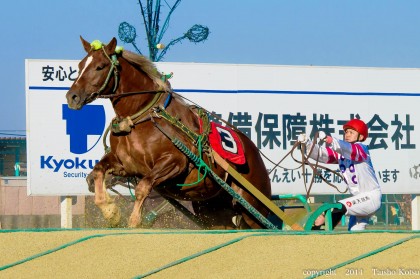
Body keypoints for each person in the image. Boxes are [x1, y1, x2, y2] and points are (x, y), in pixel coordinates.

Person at [297, 119, 382, 231]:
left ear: (360, 137)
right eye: (346, 132)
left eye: (351, 132)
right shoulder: (341, 154)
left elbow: (349, 149)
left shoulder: (362, 149)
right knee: (354, 236)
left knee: (338, 207)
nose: (347, 135)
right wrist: (307, 145)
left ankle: (319, 230)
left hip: (371, 198)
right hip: (358, 201)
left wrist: (331, 140)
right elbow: (322, 155)